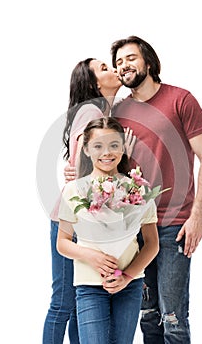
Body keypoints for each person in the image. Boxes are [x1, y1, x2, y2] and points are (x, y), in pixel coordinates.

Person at [109, 36, 202, 343]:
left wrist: (197, 217)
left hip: (174, 225)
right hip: (134, 227)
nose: (123, 66)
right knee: (148, 317)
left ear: (148, 61)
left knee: (173, 318)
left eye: (130, 58)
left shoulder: (180, 99)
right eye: (118, 63)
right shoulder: (118, 111)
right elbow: (102, 161)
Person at [43, 58, 136, 343]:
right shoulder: (90, 110)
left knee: (77, 301)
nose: (114, 69)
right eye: (105, 68)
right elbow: (83, 170)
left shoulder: (106, 113)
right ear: (95, 84)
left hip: (90, 219)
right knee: (63, 301)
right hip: (74, 219)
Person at [57, 117, 159, 344]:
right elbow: (62, 242)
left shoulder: (138, 189)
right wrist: (91, 255)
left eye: (114, 145)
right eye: (98, 146)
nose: (107, 152)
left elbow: (152, 244)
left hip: (129, 285)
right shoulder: (73, 190)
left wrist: (128, 275)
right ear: (86, 149)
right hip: (89, 285)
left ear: (123, 148)